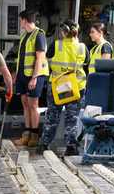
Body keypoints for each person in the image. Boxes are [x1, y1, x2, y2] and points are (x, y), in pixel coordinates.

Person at [40, 22, 87, 155]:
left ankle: (44, 144)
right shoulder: (82, 47)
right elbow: (87, 63)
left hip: (57, 86)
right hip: (76, 88)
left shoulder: (56, 45)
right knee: (72, 118)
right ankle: (71, 147)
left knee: (52, 116)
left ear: (63, 32)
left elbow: (46, 58)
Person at [12, 11, 49, 148]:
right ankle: (26, 135)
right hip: (23, 75)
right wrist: (17, 74)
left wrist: (34, 78)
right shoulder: (25, 36)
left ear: (24, 20)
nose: (19, 23)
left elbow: (40, 58)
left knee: (33, 105)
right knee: (25, 104)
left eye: (20, 20)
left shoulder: (39, 35)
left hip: (34, 76)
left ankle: (34, 135)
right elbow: (22, 58)